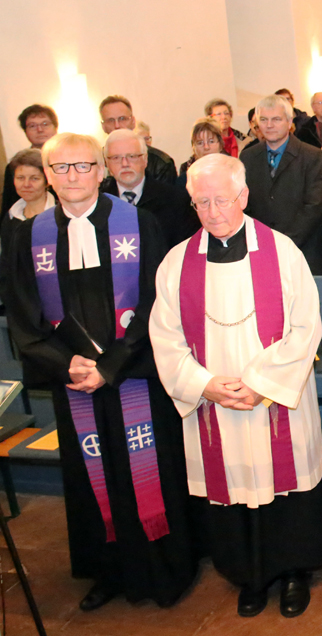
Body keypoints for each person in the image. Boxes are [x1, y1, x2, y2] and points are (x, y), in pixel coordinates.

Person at [2, 133, 198, 611]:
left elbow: (157, 303)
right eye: (61, 168)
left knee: (149, 470)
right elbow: (24, 315)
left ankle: (163, 570)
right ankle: (109, 571)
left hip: (133, 376)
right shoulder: (30, 236)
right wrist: (65, 364)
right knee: (95, 476)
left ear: (100, 171)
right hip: (75, 385)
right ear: (47, 176)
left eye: (83, 166)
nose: (72, 176)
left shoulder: (141, 223)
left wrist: (111, 365)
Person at [149, 153, 322, 617]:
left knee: (285, 482)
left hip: (274, 397)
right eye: (202, 203)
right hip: (215, 401)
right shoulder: (177, 263)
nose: (213, 212)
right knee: (231, 483)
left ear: (244, 196)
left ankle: (295, 571)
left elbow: (304, 328)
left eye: (222, 200)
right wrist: (205, 384)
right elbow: (165, 335)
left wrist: (262, 384)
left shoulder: (283, 251)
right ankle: (248, 576)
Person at [240, 94, 322, 274]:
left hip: (302, 250)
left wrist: (284, 243)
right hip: (260, 249)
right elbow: (244, 204)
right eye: (263, 119)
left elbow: (314, 205)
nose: (269, 125)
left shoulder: (311, 155)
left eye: (276, 119)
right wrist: (262, 241)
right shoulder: (248, 157)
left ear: (289, 122)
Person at [100, 129, 199, 248]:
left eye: (132, 156)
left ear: (145, 160)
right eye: (116, 158)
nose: (125, 164)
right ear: (106, 163)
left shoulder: (175, 200)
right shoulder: (100, 202)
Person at [98, 96, 176, 185]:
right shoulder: (95, 160)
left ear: (133, 122)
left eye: (122, 119)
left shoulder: (160, 163)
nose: (117, 125)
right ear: (103, 126)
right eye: (110, 120)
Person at [2, 104, 58, 219]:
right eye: (32, 126)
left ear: (55, 127)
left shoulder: (68, 161)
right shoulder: (15, 166)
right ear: (25, 131)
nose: (40, 130)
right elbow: (8, 204)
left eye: (45, 124)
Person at [177, 118, 227, 189]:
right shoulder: (185, 179)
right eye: (200, 143)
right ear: (194, 147)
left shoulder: (233, 172)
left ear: (220, 145)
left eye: (211, 141)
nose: (206, 147)